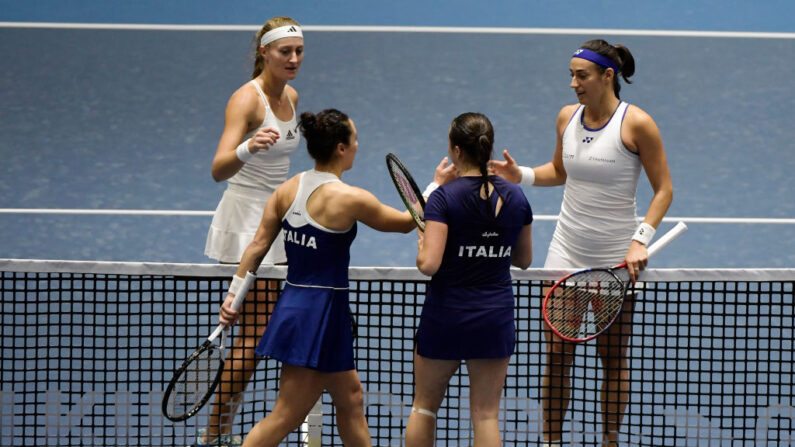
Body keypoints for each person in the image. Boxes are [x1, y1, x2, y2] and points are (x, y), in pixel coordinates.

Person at [489, 39, 673, 446]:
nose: (573, 83)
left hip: (616, 259)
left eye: (582, 75)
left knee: (612, 358)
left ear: (608, 76)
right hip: (566, 254)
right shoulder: (567, 118)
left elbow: (664, 190)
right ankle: (552, 442)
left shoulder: (637, 124)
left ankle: (609, 440)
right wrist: (522, 175)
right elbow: (559, 169)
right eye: (571, 75)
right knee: (556, 357)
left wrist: (640, 241)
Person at [219, 108, 430, 447]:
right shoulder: (350, 198)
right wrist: (436, 187)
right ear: (340, 148)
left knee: (350, 400)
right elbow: (407, 221)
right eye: (355, 139)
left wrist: (233, 297)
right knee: (286, 415)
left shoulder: (286, 190)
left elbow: (256, 247)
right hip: (317, 317)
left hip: (304, 308)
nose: (358, 145)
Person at [199, 16, 305, 447]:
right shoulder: (246, 100)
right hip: (246, 223)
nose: (294, 59)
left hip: (278, 219)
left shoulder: (292, 95)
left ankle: (227, 430)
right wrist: (247, 146)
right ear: (264, 52)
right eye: (285, 52)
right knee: (257, 332)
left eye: (299, 52)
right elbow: (217, 169)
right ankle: (215, 434)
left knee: (265, 331)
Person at [406, 112, 534, 447]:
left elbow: (429, 264)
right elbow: (524, 259)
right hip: (494, 317)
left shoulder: (443, 198)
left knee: (424, 408)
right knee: (487, 415)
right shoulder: (518, 197)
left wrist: (422, 246)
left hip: (445, 316)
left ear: (457, 151)